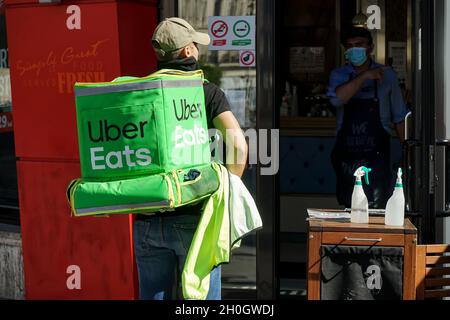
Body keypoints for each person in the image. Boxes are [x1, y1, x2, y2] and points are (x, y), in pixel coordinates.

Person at [133, 17, 248, 300]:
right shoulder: (206, 92)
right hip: (193, 215)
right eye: (195, 44)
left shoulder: (140, 92)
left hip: (147, 215)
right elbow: (238, 145)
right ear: (187, 52)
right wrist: (228, 187)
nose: (197, 49)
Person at [327, 27, 409, 209]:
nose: (354, 49)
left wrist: (407, 152)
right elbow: (337, 99)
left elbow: (399, 117)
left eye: (359, 45)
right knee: (351, 205)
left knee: (378, 206)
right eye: (349, 46)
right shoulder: (339, 75)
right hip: (348, 156)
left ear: (370, 48)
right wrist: (364, 76)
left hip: (378, 154)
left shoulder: (387, 75)